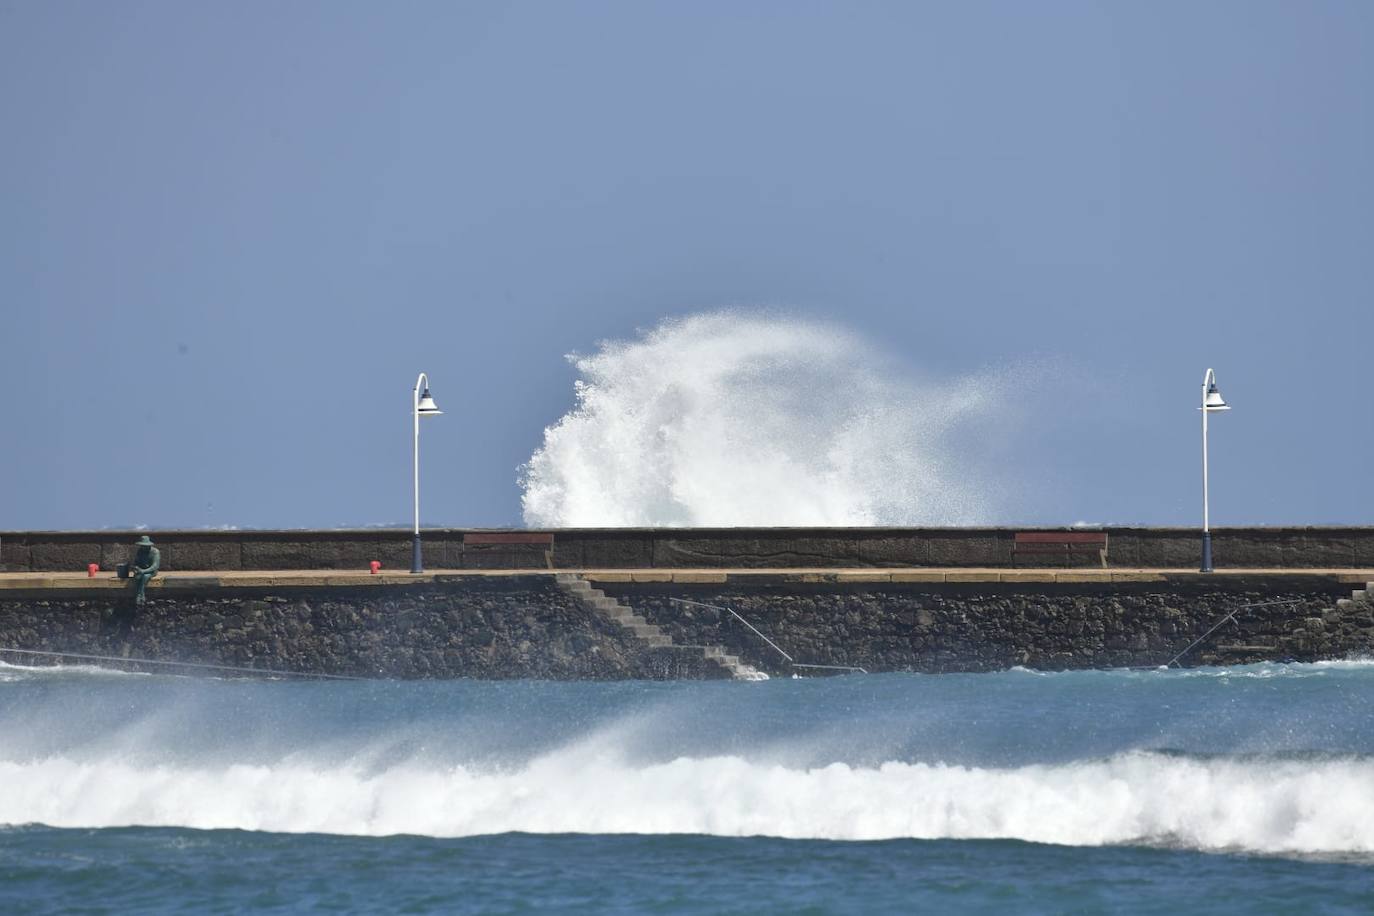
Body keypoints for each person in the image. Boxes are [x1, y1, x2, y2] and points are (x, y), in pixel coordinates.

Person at [128, 535, 160, 605]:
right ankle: (139, 595)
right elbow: (136, 562)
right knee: (137, 577)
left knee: (145, 577)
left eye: (144, 546)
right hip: (141, 570)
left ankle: (140, 595)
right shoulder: (140, 551)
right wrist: (135, 568)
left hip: (151, 571)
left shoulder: (155, 552)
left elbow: (155, 566)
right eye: (142, 545)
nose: (143, 547)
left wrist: (144, 571)